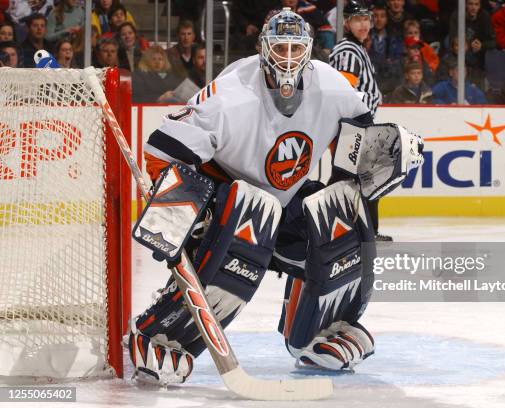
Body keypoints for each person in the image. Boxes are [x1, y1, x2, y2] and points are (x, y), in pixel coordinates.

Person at [126, 8, 423, 384]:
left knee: (340, 213)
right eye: (279, 47)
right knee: (254, 213)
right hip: (228, 201)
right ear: (262, 48)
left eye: (295, 48)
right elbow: (164, 152)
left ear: (310, 51)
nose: (287, 57)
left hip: (286, 201)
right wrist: (180, 216)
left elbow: (359, 141)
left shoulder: (331, 86)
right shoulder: (230, 94)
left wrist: (379, 164)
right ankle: (164, 333)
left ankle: (315, 332)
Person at [329, 0, 389, 242]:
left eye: (366, 19)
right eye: (357, 19)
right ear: (346, 23)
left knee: (360, 179)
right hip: (353, 128)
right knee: (355, 180)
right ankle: (355, 232)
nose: (363, 24)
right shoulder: (348, 51)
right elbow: (346, 93)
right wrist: (353, 130)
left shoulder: (358, 49)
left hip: (357, 128)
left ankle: (365, 232)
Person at [448, 0, 496, 69]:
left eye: (476, 4)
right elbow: (452, 38)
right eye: (470, 4)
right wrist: (461, 44)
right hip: (461, 47)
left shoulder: (485, 16)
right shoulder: (457, 15)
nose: (473, 8)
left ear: (480, 6)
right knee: (448, 43)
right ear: (466, 5)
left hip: (477, 50)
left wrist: (481, 45)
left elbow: (493, 42)